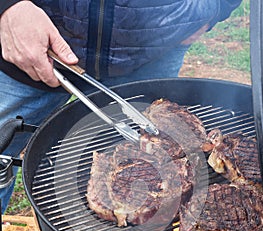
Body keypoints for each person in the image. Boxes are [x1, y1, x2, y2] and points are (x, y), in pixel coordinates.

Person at [0, 0, 242, 212]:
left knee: (145, 178)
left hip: (153, 45)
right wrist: (8, 6)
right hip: (32, 36)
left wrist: (215, 7)